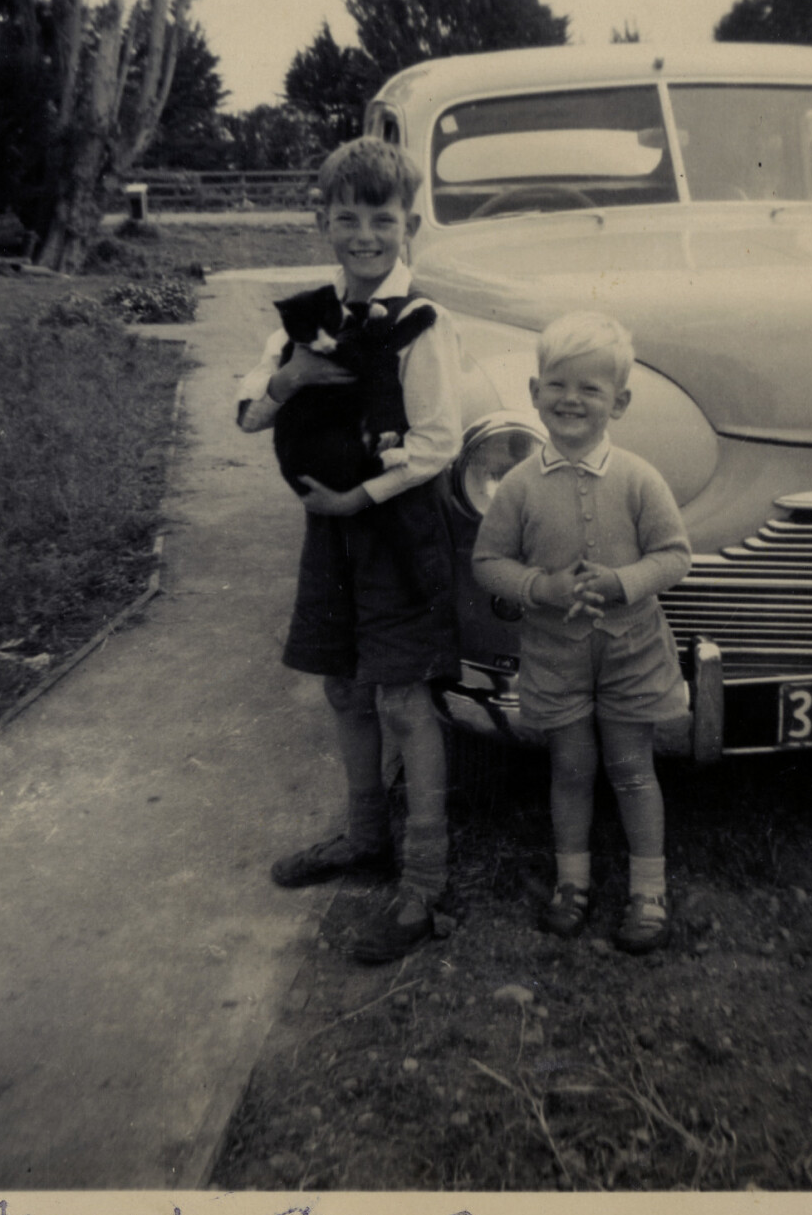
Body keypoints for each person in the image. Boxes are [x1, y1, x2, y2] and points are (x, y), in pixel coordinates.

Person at [237, 137, 461, 964]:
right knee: (342, 683)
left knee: (402, 696)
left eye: (383, 219)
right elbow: (249, 413)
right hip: (330, 533)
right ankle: (366, 836)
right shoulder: (307, 318)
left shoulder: (422, 322)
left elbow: (437, 443)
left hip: (394, 529)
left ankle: (426, 881)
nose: (366, 234)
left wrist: (356, 497)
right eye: (348, 217)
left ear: (409, 225)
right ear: (323, 221)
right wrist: (290, 378)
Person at [472, 312, 691, 954]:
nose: (571, 399)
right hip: (555, 655)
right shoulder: (518, 486)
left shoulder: (639, 477)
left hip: (632, 653)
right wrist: (541, 588)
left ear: (618, 403)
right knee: (569, 769)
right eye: (558, 385)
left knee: (632, 768)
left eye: (590, 388)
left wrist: (623, 581)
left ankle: (648, 891)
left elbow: (675, 556)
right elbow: (488, 563)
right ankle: (572, 883)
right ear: (534, 391)